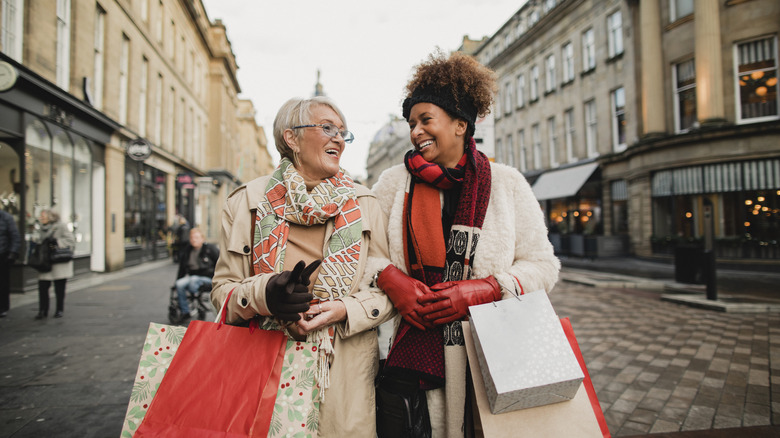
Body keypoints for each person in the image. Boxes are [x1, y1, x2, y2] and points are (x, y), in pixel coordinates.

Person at [372, 51, 561, 436]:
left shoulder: (507, 183)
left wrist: (487, 289)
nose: (415, 132)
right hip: (407, 360)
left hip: (489, 357)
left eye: (426, 120)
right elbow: (363, 253)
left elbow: (544, 266)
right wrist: (391, 278)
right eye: (411, 123)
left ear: (460, 125)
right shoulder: (392, 184)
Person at [211, 96, 394, 437]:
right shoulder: (245, 202)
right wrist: (265, 295)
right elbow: (222, 291)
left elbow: (386, 291)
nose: (338, 138)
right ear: (291, 138)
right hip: (265, 372)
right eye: (327, 128)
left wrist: (343, 309)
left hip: (343, 383)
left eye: (343, 132)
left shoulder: (365, 203)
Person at [35, 209, 76, 319]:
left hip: (58, 262)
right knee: (43, 287)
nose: (41, 218)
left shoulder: (60, 226)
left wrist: (56, 242)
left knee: (59, 288)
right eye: (41, 217)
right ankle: (43, 310)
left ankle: (59, 309)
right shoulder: (40, 229)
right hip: (45, 262)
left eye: (43, 217)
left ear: (50, 217)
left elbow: (71, 240)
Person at [174, 227, 219, 321]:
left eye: (196, 237)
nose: (194, 240)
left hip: (208, 278)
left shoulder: (210, 249)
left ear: (202, 238)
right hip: (192, 277)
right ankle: (185, 311)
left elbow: (220, 264)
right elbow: (182, 268)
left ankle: (198, 302)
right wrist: (177, 280)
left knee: (194, 281)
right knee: (180, 284)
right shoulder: (187, 250)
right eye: (192, 237)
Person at [0, 209, 21, 317]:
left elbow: (15, 236)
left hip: (2, 255)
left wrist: (13, 252)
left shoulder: (6, 217)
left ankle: (3, 307)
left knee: (3, 283)